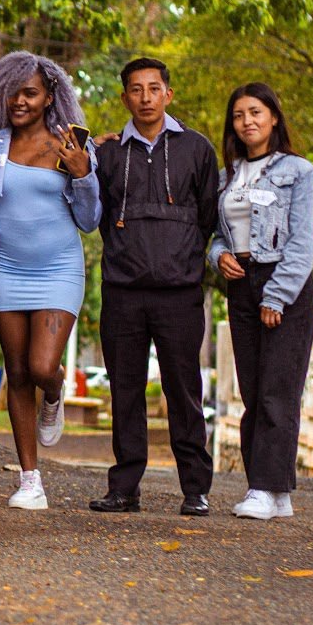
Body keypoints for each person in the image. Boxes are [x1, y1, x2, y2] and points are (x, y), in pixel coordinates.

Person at [89, 58, 219, 516]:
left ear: (168, 94)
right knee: (124, 391)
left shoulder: (198, 150)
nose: (145, 97)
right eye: (136, 90)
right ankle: (124, 488)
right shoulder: (106, 154)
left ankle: (195, 489)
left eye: (153, 88)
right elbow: (93, 214)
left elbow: (209, 217)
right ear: (125, 97)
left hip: (180, 293)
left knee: (184, 390)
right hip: (122, 290)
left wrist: (182, 258)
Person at [0, 51, 101, 510]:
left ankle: (55, 390)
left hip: (58, 270)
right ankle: (30, 479)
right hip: (4, 267)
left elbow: (90, 221)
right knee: (15, 372)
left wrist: (83, 174)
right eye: (12, 92)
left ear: (49, 96)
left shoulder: (71, 145)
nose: (19, 100)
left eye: (30, 92)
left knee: (40, 367)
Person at [207, 83, 313, 521]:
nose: (247, 121)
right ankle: (275, 492)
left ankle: (264, 488)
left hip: (283, 284)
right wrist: (219, 257)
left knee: (278, 390)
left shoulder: (298, 171)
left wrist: (277, 295)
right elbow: (218, 235)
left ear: (274, 117)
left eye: (256, 112)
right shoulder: (227, 177)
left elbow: (302, 243)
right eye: (238, 115)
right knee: (254, 391)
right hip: (241, 285)